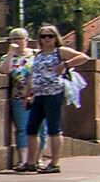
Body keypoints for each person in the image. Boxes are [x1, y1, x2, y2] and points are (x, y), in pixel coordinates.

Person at [15, 23, 71, 173]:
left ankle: (54, 163)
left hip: (53, 94)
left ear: (55, 38)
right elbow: (32, 75)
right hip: (38, 95)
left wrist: (65, 64)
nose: (46, 39)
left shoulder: (60, 52)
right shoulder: (38, 55)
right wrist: (27, 95)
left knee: (54, 129)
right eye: (43, 36)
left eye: (50, 36)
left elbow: (83, 57)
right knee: (31, 129)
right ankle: (31, 162)